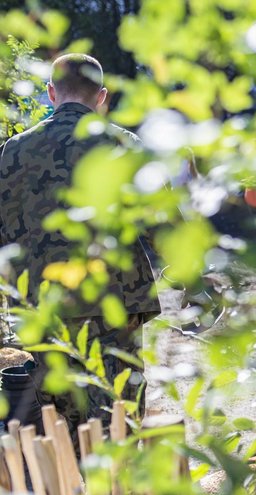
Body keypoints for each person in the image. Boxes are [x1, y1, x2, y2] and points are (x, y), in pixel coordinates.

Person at [0, 53, 160, 429]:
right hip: (113, 304)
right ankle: (117, 487)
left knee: (59, 419)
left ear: (51, 92)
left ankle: (71, 486)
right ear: (101, 97)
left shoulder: (12, 151)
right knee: (118, 410)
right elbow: (161, 219)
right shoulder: (124, 144)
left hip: (40, 304)